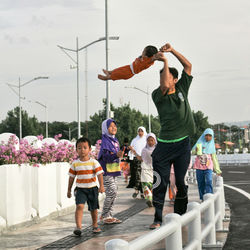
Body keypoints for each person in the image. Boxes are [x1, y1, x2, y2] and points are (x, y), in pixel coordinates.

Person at [150, 43, 196, 229]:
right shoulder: (157, 94)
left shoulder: (182, 88)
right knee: (160, 183)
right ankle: (158, 218)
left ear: (176, 80)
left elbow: (188, 66)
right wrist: (165, 62)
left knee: (181, 183)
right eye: (162, 76)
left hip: (182, 144)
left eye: (168, 76)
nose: (165, 79)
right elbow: (163, 85)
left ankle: (179, 215)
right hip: (164, 145)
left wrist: (172, 51)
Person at [67, 137, 105, 236]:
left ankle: (95, 225)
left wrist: (101, 186)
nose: (82, 150)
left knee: (93, 208)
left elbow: (99, 174)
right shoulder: (75, 164)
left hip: (92, 188)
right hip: (80, 189)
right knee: (79, 206)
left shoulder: (94, 162)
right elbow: (71, 178)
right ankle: (78, 227)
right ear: (76, 150)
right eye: (79, 148)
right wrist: (69, 190)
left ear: (89, 149)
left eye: (85, 147)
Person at [98, 118, 124, 224]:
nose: (114, 128)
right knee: (112, 191)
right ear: (105, 128)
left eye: (115, 126)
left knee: (114, 192)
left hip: (113, 170)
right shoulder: (105, 140)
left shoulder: (115, 140)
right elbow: (105, 157)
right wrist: (115, 155)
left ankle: (109, 215)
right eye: (111, 126)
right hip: (106, 171)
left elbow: (115, 155)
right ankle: (105, 215)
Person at [192, 128, 222, 201]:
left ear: (212, 136)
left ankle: (209, 197)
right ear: (204, 135)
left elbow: (214, 159)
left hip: (208, 167)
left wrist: (218, 170)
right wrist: (195, 150)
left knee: (208, 181)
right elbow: (192, 152)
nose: (208, 137)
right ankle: (202, 198)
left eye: (210, 135)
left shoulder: (212, 146)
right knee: (200, 183)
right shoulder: (199, 142)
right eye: (206, 135)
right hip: (199, 167)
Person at [133, 133, 157, 207]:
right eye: (148, 140)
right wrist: (135, 153)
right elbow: (141, 159)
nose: (150, 142)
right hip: (145, 169)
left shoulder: (158, 149)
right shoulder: (144, 149)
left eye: (152, 140)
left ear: (155, 140)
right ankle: (149, 199)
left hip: (155, 170)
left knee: (153, 186)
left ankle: (151, 198)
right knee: (146, 185)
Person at [127, 126, 147, 199]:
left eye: (141, 131)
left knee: (143, 176)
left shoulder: (146, 140)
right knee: (136, 175)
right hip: (135, 160)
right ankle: (137, 190)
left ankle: (142, 191)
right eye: (139, 131)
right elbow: (131, 150)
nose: (140, 133)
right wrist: (131, 150)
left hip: (144, 160)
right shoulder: (135, 140)